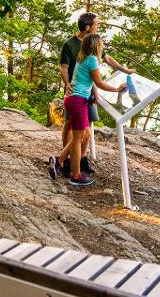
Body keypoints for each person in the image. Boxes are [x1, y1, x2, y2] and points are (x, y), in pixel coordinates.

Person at [56, 12, 132, 176]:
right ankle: (67, 163)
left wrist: (124, 70)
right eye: (97, 24)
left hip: (86, 92)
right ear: (88, 27)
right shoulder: (71, 45)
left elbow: (107, 59)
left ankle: (78, 159)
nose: (99, 27)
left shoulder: (90, 46)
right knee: (71, 128)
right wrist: (67, 83)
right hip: (75, 91)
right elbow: (64, 66)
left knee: (85, 131)